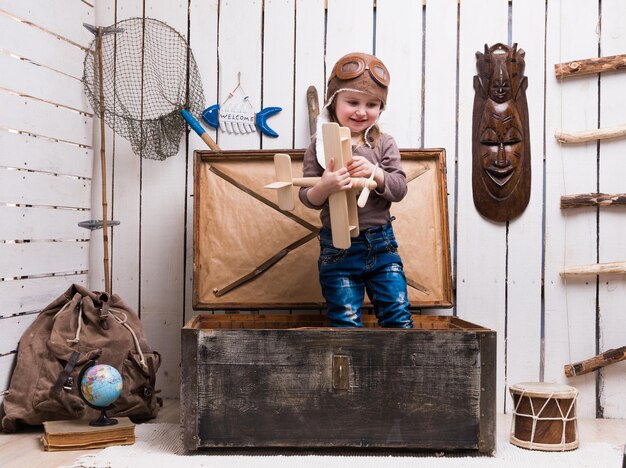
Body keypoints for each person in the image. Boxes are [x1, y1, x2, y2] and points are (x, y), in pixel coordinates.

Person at [299, 52, 413, 329]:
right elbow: (307, 198)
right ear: (333, 103)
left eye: (372, 104)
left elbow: (398, 189)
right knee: (345, 321)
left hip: (381, 243)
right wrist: (325, 186)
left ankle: (402, 371)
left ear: (380, 109)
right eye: (352, 102)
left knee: (397, 316)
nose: (362, 111)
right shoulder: (319, 147)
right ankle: (349, 372)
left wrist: (375, 172)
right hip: (337, 246)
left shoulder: (383, 144)